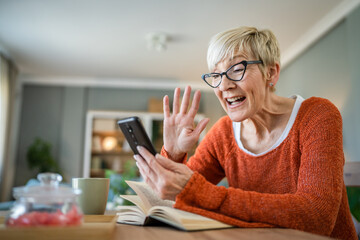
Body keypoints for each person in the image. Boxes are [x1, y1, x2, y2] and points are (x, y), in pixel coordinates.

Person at [133, 26, 357, 240]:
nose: (224, 85)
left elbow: (317, 217)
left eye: (237, 69)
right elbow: (173, 197)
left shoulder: (317, 115)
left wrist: (199, 193)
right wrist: (172, 153)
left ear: (271, 72)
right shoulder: (223, 134)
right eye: (216, 75)